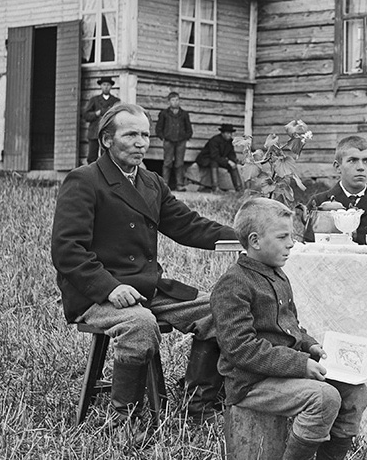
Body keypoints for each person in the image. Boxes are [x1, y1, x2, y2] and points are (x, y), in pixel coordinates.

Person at [51, 102, 236, 430]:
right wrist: (110, 287)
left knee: (219, 309)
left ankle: (199, 406)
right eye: (131, 134)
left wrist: (243, 238)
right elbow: (68, 252)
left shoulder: (150, 182)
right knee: (140, 323)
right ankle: (128, 419)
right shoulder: (83, 181)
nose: (141, 143)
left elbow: (186, 224)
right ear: (107, 140)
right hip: (95, 294)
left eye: (145, 135)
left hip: (146, 286)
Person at [212, 198, 367, 460]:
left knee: (355, 390)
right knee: (323, 397)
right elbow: (241, 350)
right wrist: (300, 364)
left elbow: (291, 328)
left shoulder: (277, 275)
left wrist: (311, 346)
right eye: (283, 237)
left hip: (282, 373)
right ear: (255, 241)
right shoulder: (233, 284)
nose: (292, 243)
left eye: (291, 236)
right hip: (252, 383)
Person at [303, 135, 367, 245]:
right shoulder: (319, 202)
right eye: (352, 160)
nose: (361, 167)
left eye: (366, 161)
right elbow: (309, 246)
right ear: (337, 167)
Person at [155, 91, 193, 190]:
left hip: (181, 141)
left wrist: (186, 137)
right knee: (167, 163)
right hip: (168, 141)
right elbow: (159, 127)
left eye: (177, 100)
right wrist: (163, 136)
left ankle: (179, 185)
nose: (175, 102)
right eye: (173, 100)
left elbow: (188, 128)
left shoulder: (184, 114)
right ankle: (165, 185)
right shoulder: (164, 114)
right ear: (169, 101)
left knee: (179, 163)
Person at [81, 77, 120, 163]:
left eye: (108, 85)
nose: (106, 87)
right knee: (91, 157)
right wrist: (96, 113)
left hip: (108, 132)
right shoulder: (94, 100)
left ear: (111, 87)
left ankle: (105, 174)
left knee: (107, 156)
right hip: (94, 132)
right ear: (101, 86)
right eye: (104, 85)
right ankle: (92, 175)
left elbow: (118, 116)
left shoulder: (115, 101)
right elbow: (85, 116)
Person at [197, 123, 244, 192]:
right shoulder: (214, 140)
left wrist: (234, 161)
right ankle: (215, 187)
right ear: (222, 133)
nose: (230, 135)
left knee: (233, 166)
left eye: (231, 133)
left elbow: (231, 154)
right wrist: (227, 161)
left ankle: (239, 189)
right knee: (214, 163)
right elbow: (214, 156)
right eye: (227, 133)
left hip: (219, 159)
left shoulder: (230, 142)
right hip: (205, 159)